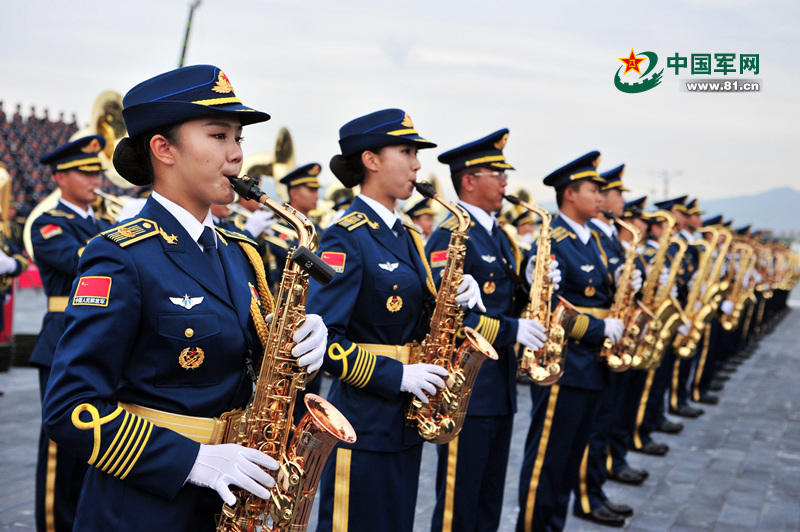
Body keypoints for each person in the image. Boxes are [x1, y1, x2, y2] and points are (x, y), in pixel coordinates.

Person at [41, 64, 326, 531]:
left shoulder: (240, 252)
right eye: (218, 135)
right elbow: (70, 408)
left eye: (239, 138)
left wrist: (304, 344)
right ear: (163, 149)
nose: (236, 155)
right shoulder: (120, 257)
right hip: (143, 507)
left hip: (227, 497)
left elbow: (260, 368)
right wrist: (192, 460)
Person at [306, 108, 483, 532]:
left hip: (405, 417)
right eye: (406, 151)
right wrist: (397, 375)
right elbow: (322, 340)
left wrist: (459, 299)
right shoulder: (345, 235)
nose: (418, 164)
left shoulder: (408, 235)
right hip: (362, 419)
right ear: (371, 160)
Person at [426, 129, 553, 532]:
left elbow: (504, 302)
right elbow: (448, 317)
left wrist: (533, 284)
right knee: (459, 503)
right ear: (468, 181)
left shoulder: (499, 234)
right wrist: (513, 329)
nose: (505, 183)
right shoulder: (450, 234)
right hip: (468, 388)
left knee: (488, 497)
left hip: (497, 386)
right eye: (496, 174)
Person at [516, 151, 626, 531]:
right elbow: (548, 309)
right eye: (593, 190)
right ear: (569, 195)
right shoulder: (554, 239)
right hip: (564, 364)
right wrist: (599, 330)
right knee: (548, 460)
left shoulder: (595, 238)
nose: (601, 197)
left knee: (570, 461)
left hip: (592, 364)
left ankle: (553, 526)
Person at [30, 134, 114, 532]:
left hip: (104, 338)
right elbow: (77, 261)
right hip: (62, 336)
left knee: (95, 447)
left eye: (97, 172)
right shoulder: (48, 224)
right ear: (61, 178)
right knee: (59, 452)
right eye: (85, 173)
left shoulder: (102, 223)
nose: (94, 180)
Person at [571, 164, 643, 526]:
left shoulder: (604, 238)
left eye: (607, 192)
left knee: (602, 423)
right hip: (580, 352)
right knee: (582, 436)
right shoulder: (577, 237)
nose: (612, 200)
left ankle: (594, 489)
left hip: (604, 344)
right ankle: (587, 494)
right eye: (597, 191)